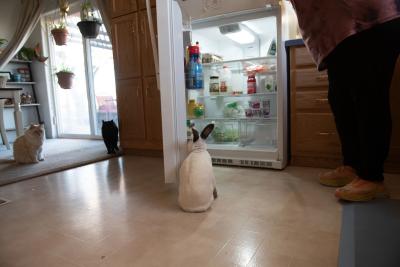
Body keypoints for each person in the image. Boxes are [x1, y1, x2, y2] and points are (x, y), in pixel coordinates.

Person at [289, 1, 400, 201]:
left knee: (368, 95)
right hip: (337, 33)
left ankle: (372, 177)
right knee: (340, 99)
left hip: (368, 19)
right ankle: (352, 166)